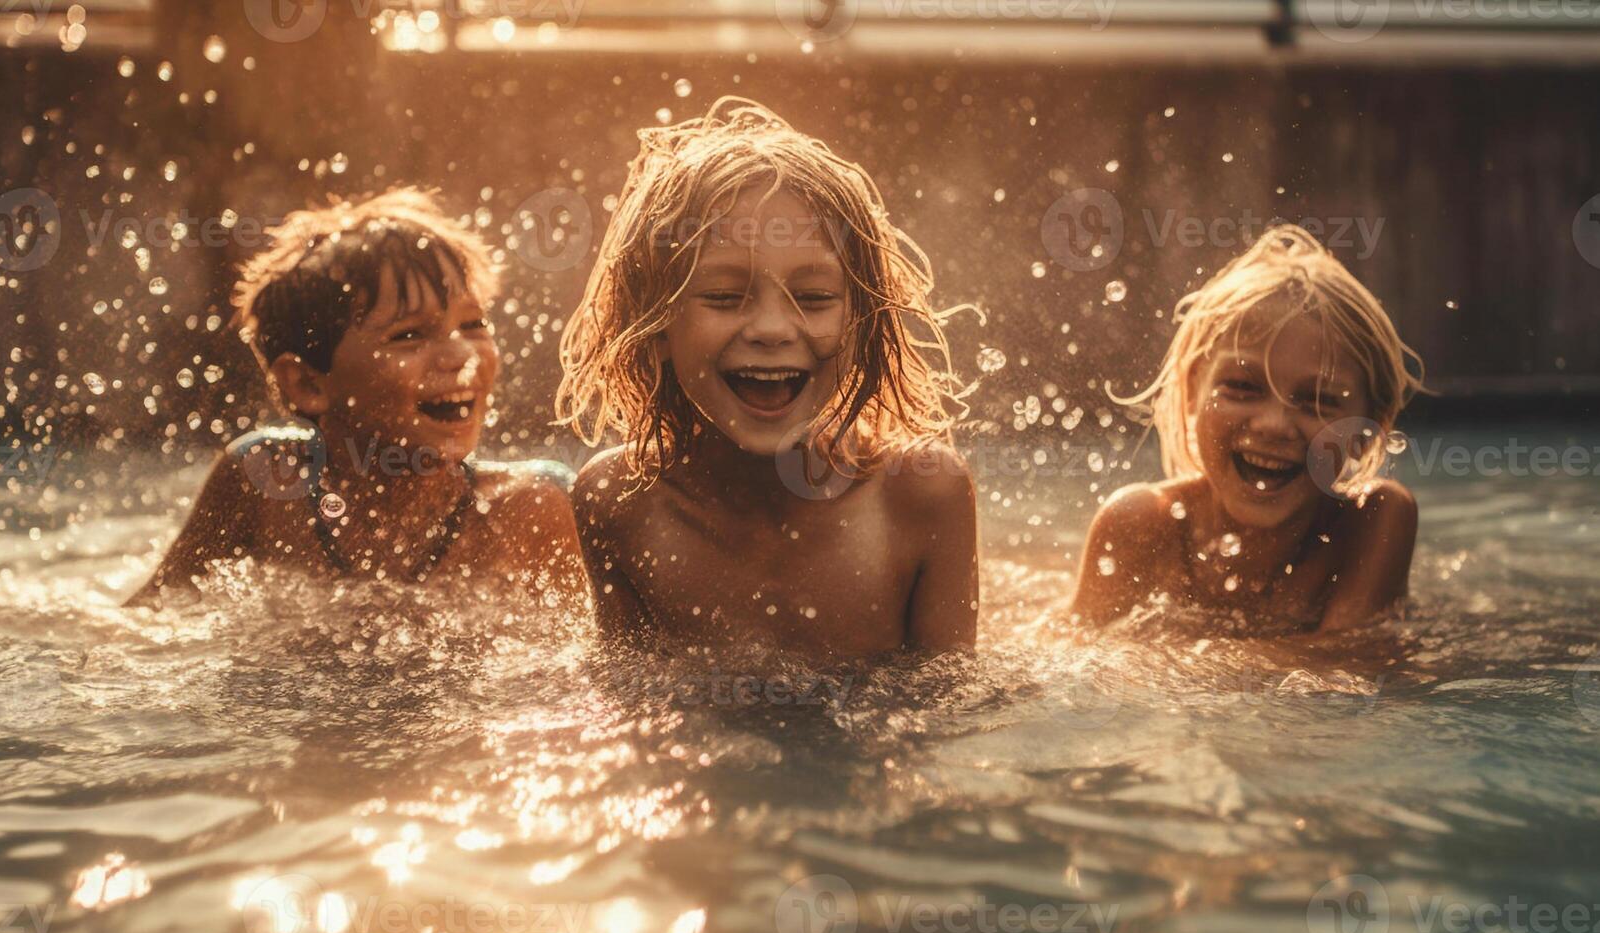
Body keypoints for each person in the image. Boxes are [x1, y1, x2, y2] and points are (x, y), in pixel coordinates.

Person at [557, 98, 977, 662]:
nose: (773, 329)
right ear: (655, 326)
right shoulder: (620, 500)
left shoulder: (920, 494)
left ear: (865, 322)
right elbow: (622, 705)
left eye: (815, 298)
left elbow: (951, 717)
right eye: (725, 297)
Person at [130, 188, 582, 606]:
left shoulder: (535, 508)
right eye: (409, 335)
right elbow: (148, 621)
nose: (461, 356)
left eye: (474, 325)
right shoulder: (267, 484)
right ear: (307, 384)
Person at [1072, 225, 1425, 633]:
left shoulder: (1373, 521)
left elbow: (1347, 671)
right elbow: (1084, 665)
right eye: (1242, 387)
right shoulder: (1139, 524)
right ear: (1190, 391)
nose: (1274, 425)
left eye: (1317, 402)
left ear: (1370, 431)